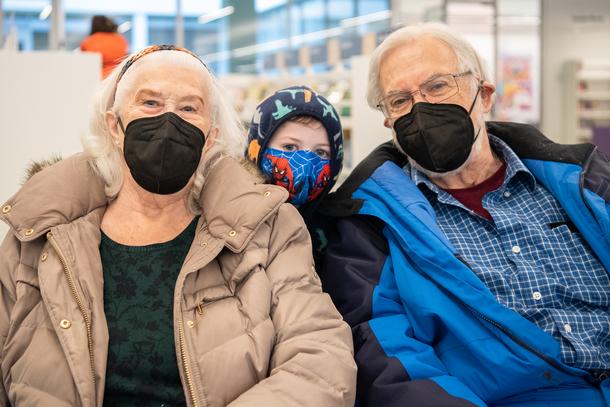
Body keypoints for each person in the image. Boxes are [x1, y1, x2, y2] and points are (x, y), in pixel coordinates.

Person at [0, 45, 356, 406]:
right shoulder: (39, 234)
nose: (169, 121)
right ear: (114, 125)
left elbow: (320, 357)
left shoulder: (268, 229)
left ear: (210, 137)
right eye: (150, 103)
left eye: (189, 108)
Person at [319, 23, 610, 407]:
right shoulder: (368, 224)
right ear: (388, 122)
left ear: (484, 95)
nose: (421, 110)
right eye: (400, 100)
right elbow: (388, 355)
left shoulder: (582, 181)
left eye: (438, 86)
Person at [245, 85, 343, 264]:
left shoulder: (339, 232)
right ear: (259, 148)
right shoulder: (235, 218)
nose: (306, 162)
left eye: (321, 152)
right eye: (289, 147)